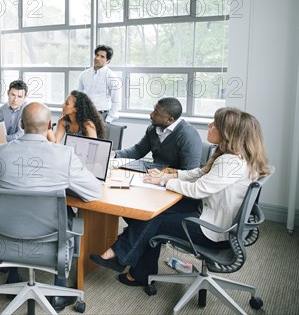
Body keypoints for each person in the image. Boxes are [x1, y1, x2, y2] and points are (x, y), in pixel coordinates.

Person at [90, 107, 271, 287]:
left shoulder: (230, 162)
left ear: (228, 132)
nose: (210, 125)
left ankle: (124, 259)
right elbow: (199, 173)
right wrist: (169, 176)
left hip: (214, 231)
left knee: (153, 217)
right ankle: (132, 265)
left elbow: (198, 189)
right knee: (152, 214)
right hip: (219, 219)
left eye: (215, 124)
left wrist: (163, 182)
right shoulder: (239, 157)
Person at [0, 102, 103, 311]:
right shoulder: (65, 155)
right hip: (50, 236)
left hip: (7, 232)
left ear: (21, 124)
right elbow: (95, 192)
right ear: (50, 125)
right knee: (68, 214)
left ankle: (13, 276)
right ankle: (59, 291)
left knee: (15, 208)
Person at [113, 97, 201, 170]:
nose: (151, 115)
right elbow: (139, 150)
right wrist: (116, 154)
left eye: (156, 113)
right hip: (154, 177)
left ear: (169, 120)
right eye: (153, 110)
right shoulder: (153, 128)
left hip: (174, 183)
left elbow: (190, 172)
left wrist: (164, 178)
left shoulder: (188, 136)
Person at [77, 45, 122, 123]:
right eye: (97, 55)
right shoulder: (84, 74)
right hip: (85, 115)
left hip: (102, 115)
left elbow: (116, 101)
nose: (97, 58)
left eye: (102, 56)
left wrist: (108, 120)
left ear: (108, 61)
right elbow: (79, 97)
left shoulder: (112, 77)